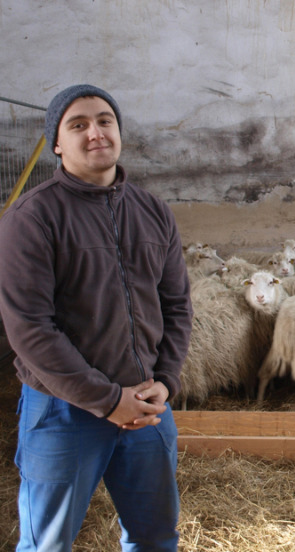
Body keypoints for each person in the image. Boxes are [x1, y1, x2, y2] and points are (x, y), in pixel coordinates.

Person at [0, 84, 193, 551]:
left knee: (155, 538)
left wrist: (165, 380)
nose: (95, 133)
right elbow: (30, 326)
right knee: (48, 543)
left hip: (148, 406)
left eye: (105, 120)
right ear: (57, 144)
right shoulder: (32, 217)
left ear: (119, 132)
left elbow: (177, 305)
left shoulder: (153, 211)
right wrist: (105, 400)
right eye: (78, 124)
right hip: (64, 409)